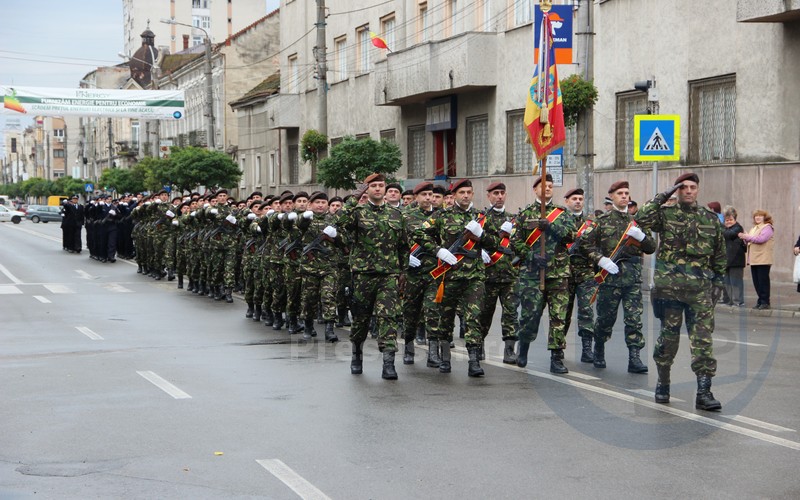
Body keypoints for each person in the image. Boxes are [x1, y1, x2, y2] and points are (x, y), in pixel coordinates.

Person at [635, 172, 725, 411]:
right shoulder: (666, 214)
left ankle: (704, 392)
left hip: (700, 291)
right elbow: (640, 219)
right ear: (677, 190)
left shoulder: (710, 218)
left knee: (703, 341)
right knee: (668, 339)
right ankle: (663, 383)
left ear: (698, 190)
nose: (688, 191)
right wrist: (661, 197)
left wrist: (719, 283)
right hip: (669, 290)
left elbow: (719, 254)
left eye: (692, 187)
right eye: (683, 187)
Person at [414, 178, 497, 376]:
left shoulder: (481, 217)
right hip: (448, 275)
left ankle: (474, 361)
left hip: (474, 275)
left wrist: (481, 235)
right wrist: (438, 250)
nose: (465, 196)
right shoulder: (442, 215)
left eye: (468, 192)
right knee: (446, 318)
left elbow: (495, 243)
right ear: (454, 195)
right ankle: (445, 358)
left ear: (472, 194)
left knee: (474, 317)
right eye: (462, 193)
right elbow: (419, 233)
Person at [336, 173, 408, 380]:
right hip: (363, 275)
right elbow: (340, 221)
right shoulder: (358, 213)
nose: (377, 188)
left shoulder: (397, 215)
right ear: (367, 190)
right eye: (373, 185)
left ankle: (388, 363)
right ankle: (356, 355)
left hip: (388, 275)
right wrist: (354, 197)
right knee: (361, 318)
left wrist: (403, 271)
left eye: (381, 185)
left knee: (388, 317)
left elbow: (403, 246)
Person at [579, 181, 656, 373]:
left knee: (634, 320)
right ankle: (599, 349)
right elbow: (585, 244)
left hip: (632, 279)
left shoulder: (636, 223)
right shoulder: (601, 221)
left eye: (626, 193)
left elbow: (651, 248)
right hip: (609, 279)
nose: (624, 196)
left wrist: (642, 237)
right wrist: (601, 260)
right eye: (620, 193)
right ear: (611, 197)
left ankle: (634, 358)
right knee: (605, 319)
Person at [511, 174, 576, 373]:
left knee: (558, 317)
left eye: (550, 186)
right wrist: (531, 256)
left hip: (558, 272)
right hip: (532, 273)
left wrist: (551, 226)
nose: (547, 188)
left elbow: (571, 236)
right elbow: (515, 241)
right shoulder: (525, 214)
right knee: (530, 315)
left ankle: (556, 357)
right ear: (535, 189)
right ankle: (523, 347)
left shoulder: (561, 213)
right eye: (543, 186)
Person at [478, 181, 519, 365]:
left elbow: (520, 244)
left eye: (502, 193)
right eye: (495, 193)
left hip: (510, 275)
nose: (499, 196)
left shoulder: (514, 219)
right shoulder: (481, 219)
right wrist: (480, 251)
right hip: (488, 275)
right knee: (485, 313)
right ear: (489, 196)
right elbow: (473, 241)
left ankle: (509, 350)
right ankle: (478, 344)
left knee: (511, 313)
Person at [562, 188, 597, 363]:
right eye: (574, 198)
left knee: (586, 311)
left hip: (586, 273)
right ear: (567, 201)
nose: (577, 201)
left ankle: (587, 349)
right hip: (564, 273)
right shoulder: (561, 221)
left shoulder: (591, 223)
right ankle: (558, 347)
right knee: (563, 313)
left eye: (580, 199)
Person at [738, 210, 775, 310]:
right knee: (757, 282)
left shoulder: (767, 227)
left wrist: (747, 237)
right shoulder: (754, 228)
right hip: (754, 259)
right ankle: (760, 301)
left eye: (760, 216)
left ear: (765, 217)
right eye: (756, 216)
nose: (757, 217)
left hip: (763, 259)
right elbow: (750, 240)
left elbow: (761, 239)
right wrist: (744, 238)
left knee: (763, 282)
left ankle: (765, 302)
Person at [721, 206, 746, 306]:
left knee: (736, 282)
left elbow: (727, 235)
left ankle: (738, 301)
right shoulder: (725, 228)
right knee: (727, 282)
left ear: (735, 219)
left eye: (731, 220)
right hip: (726, 259)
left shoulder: (738, 228)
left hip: (736, 260)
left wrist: (721, 229)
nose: (728, 222)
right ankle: (730, 300)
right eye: (726, 220)